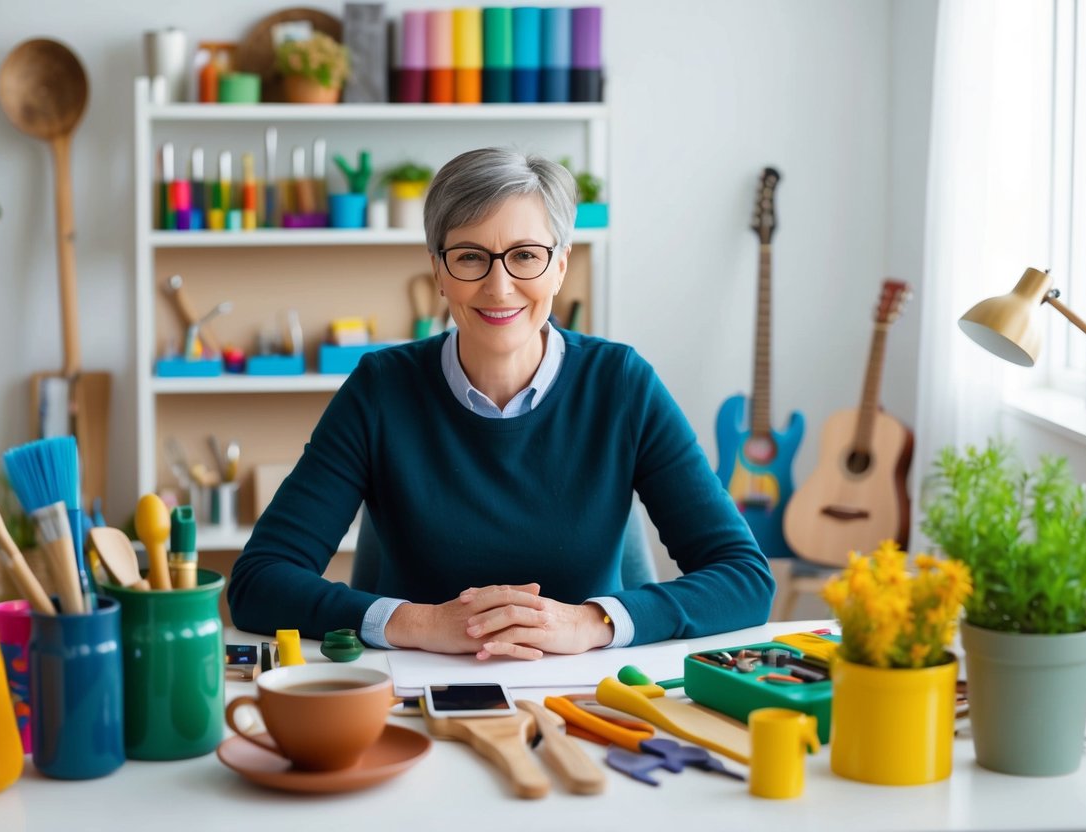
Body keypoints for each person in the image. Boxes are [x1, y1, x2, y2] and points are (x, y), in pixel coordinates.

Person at [228, 147, 774, 660]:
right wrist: (421, 624)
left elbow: (744, 578)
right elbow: (259, 581)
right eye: (470, 257)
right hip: (415, 697)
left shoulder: (621, 384)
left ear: (560, 267)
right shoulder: (380, 390)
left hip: (588, 694)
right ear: (439, 272)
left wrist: (589, 623)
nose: (499, 285)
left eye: (526, 256)